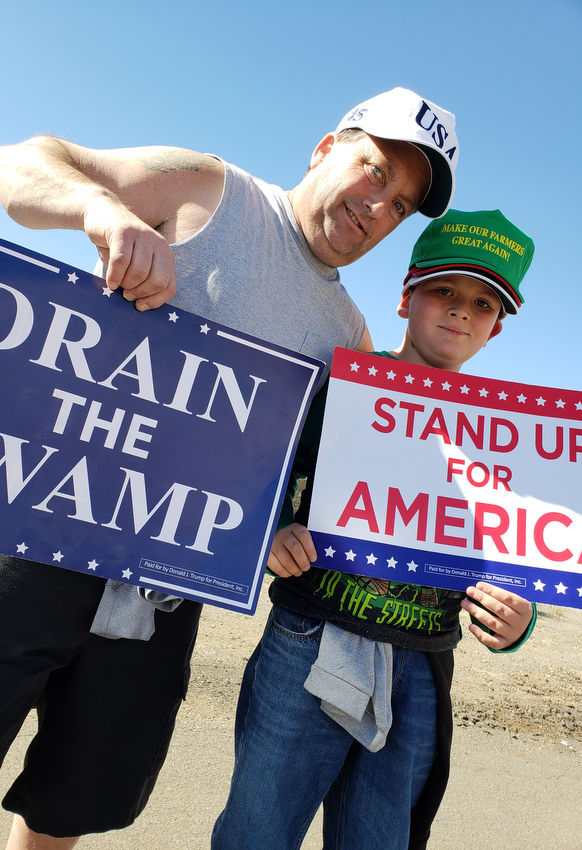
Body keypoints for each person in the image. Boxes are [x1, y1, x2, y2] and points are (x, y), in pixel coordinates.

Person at [0, 88, 459, 850]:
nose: (378, 206)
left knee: (71, 802)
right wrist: (104, 212)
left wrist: (280, 528)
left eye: (402, 204)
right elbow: (14, 164)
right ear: (326, 148)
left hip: (164, 595)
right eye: (374, 170)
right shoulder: (209, 189)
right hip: (29, 544)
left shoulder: (350, 336)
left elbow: (295, 475)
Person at [211, 209, 538, 850]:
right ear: (406, 297)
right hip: (308, 637)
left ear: (495, 329)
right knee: (257, 831)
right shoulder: (342, 385)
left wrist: (516, 624)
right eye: (444, 290)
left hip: (422, 664)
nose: (461, 312)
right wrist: (272, 534)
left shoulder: (508, 438)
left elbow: (516, 557)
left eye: (482, 303)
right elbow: (263, 480)